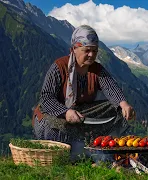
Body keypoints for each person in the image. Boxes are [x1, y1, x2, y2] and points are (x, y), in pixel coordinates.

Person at [32, 25, 135, 160]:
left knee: (117, 109)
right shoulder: (59, 67)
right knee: (53, 126)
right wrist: (66, 112)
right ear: (74, 49)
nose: (91, 55)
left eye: (95, 51)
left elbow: (111, 88)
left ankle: (101, 149)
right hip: (54, 114)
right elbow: (46, 99)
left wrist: (124, 104)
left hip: (80, 113)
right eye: (87, 50)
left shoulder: (97, 69)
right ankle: (70, 154)